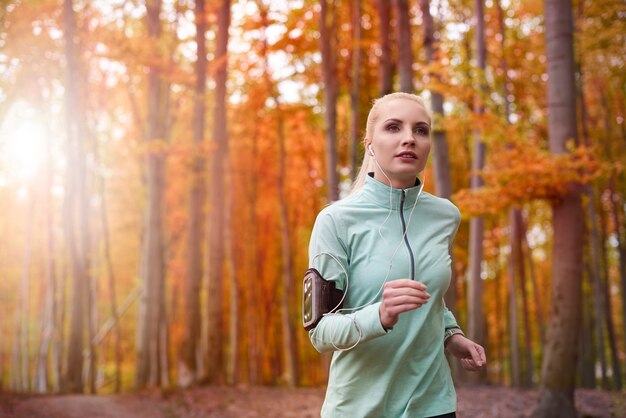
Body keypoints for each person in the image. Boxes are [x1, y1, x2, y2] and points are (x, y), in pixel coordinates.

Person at [306, 92, 486, 418]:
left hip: (434, 404)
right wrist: (380, 315)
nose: (409, 139)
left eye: (421, 130)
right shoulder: (336, 221)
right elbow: (320, 333)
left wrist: (451, 334)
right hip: (360, 408)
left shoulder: (445, 216)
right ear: (370, 143)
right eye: (393, 127)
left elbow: (430, 295)